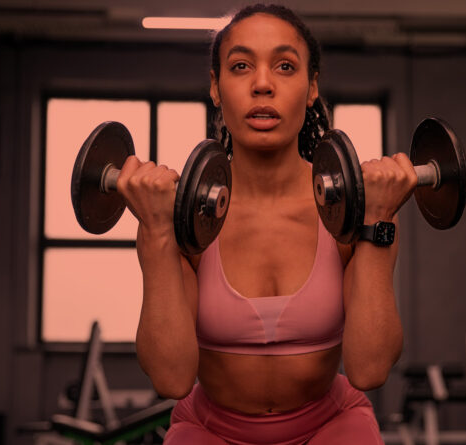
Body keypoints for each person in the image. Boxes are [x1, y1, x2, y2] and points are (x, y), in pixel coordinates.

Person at [116, 4, 415, 444]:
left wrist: (378, 219)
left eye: (285, 66)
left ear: (311, 87)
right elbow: (171, 379)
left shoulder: (356, 212)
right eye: (240, 66)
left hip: (329, 425)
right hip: (210, 430)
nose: (262, 84)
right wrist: (158, 231)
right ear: (216, 88)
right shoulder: (183, 219)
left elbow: (370, 370)